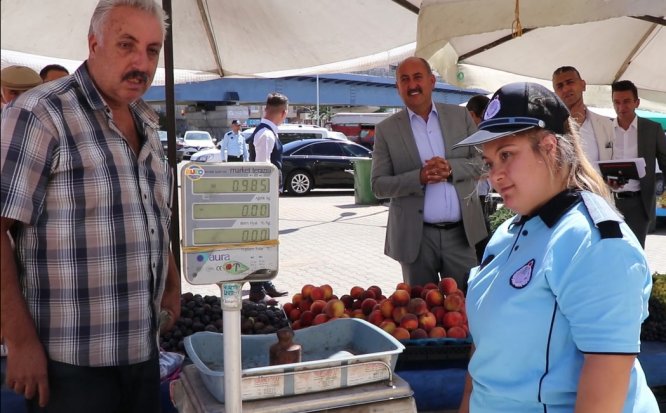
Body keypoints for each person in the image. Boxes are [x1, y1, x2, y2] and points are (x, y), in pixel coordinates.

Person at [0, 1, 181, 412]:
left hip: (142, 350)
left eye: (153, 50)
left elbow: (154, 214)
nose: (141, 62)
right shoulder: (41, 113)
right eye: (126, 44)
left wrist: (171, 281)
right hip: (68, 364)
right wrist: (20, 339)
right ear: (93, 42)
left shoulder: (146, 122)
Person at [454, 82, 658, 413]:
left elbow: (604, 391)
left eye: (507, 155)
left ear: (548, 147)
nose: (495, 176)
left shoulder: (594, 242)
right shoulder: (508, 231)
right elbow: (484, 354)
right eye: (490, 162)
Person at [371, 56, 487, 290]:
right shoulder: (386, 130)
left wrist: (452, 168)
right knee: (421, 312)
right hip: (415, 240)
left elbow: (484, 162)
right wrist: (419, 177)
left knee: (467, 308)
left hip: (461, 236)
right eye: (404, 79)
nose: (412, 85)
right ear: (398, 87)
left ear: (432, 81)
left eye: (417, 77)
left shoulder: (460, 116)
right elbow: (378, 186)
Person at [608, 80, 666, 248]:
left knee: (636, 251)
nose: (621, 107)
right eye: (616, 102)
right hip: (609, 201)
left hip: (639, 203)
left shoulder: (652, 129)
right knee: (611, 251)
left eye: (626, 101)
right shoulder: (604, 127)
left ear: (637, 102)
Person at [247, 92, 289, 301]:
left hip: (263, 198)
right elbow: (262, 171)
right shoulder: (267, 135)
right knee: (260, 242)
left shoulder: (266, 132)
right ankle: (257, 289)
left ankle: (264, 282)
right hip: (262, 199)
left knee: (263, 241)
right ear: (283, 113)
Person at [552, 66, 614, 163]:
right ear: (555, 94)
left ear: (583, 85)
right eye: (560, 86)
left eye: (570, 82)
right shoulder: (549, 128)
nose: (565, 89)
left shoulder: (606, 125)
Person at [466, 94, 492, 262]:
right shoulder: (465, 137)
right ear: (471, 114)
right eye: (483, 118)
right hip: (471, 199)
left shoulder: (485, 134)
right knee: (479, 248)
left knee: (484, 246)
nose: (485, 122)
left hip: (484, 197)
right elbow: (471, 169)